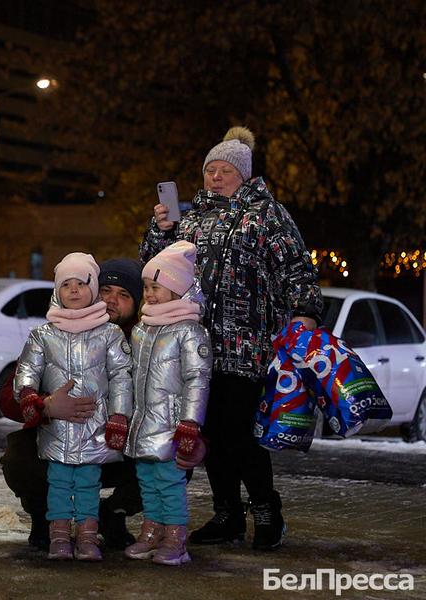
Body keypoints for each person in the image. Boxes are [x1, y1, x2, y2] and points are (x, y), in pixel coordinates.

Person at [139, 126, 322, 551]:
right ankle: (227, 514)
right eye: (209, 170)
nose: (215, 178)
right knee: (211, 433)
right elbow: (157, 269)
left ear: (244, 174)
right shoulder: (192, 218)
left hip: (248, 345)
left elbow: (296, 268)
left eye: (224, 170)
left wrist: (305, 314)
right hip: (198, 345)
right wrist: (162, 231)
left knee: (241, 433)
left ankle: (266, 510)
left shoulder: (266, 214)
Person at [0, 258, 144, 551]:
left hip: (116, 441)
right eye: (106, 290)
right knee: (19, 456)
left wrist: (121, 417)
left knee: (166, 455)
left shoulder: (140, 340)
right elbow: (10, 394)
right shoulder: (49, 334)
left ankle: (111, 514)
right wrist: (43, 406)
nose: (112, 300)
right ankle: (47, 519)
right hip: (57, 436)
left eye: (124, 294)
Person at [123, 241, 211, 566]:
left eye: (156, 287)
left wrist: (191, 422)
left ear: (177, 290)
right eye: (146, 287)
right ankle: (152, 530)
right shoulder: (142, 330)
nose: (149, 293)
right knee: (146, 479)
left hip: (173, 426)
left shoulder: (190, 332)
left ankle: (176, 537)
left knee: (170, 483)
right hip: (144, 422)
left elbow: (198, 379)